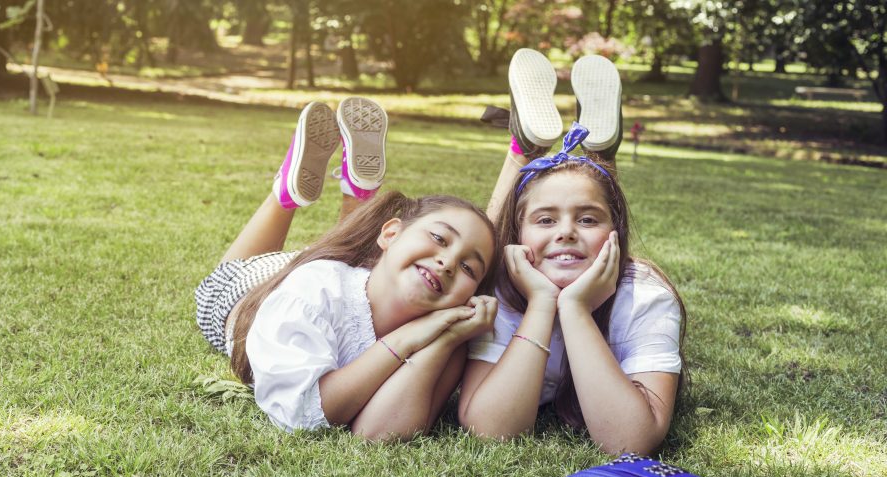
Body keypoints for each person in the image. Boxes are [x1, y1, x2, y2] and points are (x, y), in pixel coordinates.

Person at [196, 97, 500, 440]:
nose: (447, 264)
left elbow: (379, 434)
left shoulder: (447, 336)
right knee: (225, 278)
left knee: (335, 259)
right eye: (440, 238)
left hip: (351, 273)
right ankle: (285, 195)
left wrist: (444, 341)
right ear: (390, 233)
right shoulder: (311, 292)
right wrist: (403, 341)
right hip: (248, 289)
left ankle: (355, 193)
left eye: (469, 268)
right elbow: (304, 412)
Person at [459, 50, 686, 456]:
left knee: (583, 196)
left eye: (587, 220)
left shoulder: (645, 297)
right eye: (545, 221)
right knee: (481, 249)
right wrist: (543, 303)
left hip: (608, 277)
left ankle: (594, 156)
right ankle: (526, 148)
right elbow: (490, 432)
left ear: (615, 233)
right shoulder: (499, 293)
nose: (565, 232)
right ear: (521, 234)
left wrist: (577, 309)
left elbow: (630, 443)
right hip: (508, 261)